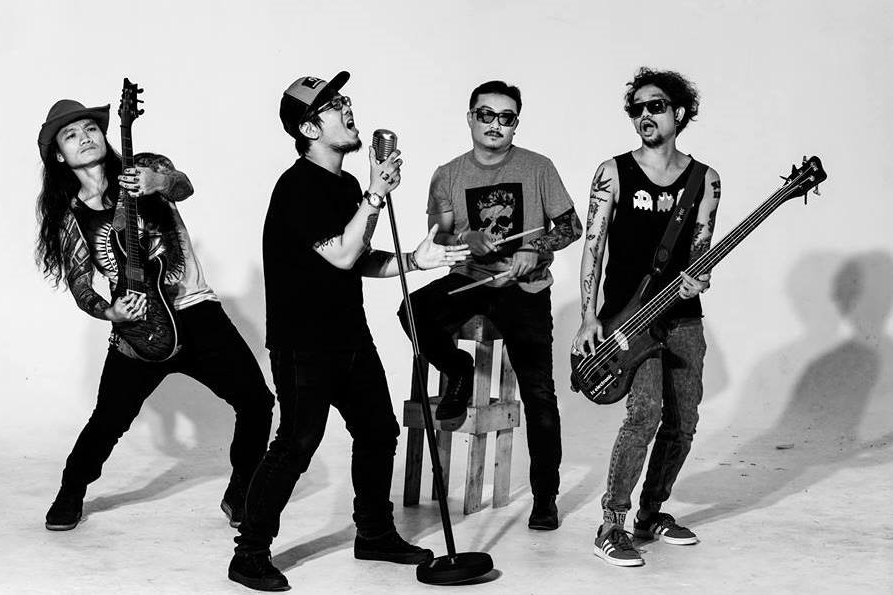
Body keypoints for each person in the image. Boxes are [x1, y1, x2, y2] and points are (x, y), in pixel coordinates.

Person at [227, 71, 469, 592]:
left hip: (349, 336)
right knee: (296, 443)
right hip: (304, 343)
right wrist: (377, 194)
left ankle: (374, 534)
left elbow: (356, 257)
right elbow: (339, 253)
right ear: (309, 128)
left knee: (379, 431)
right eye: (333, 105)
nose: (347, 107)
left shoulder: (345, 186)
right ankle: (249, 555)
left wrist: (414, 260)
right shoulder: (297, 186)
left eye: (344, 98)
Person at [35, 99, 273, 532]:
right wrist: (110, 310)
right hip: (140, 326)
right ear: (59, 156)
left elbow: (184, 186)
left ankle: (241, 491)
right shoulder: (72, 217)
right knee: (108, 422)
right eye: (71, 135)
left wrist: (157, 180)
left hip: (196, 311)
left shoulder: (145, 169)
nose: (85, 137)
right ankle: (71, 491)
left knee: (257, 402)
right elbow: (80, 284)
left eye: (90, 128)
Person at [397, 80, 583, 531]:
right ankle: (458, 369)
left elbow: (571, 226)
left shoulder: (538, 167)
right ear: (470, 118)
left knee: (539, 393)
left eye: (506, 117)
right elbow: (439, 235)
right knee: (411, 311)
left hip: (525, 288)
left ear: (516, 123)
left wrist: (535, 248)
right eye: (486, 114)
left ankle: (545, 498)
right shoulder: (448, 174)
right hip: (469, 279)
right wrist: (465, 236)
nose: (495, 124)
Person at [572, 67, 722, 567]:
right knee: (644, 415)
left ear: (678, 113)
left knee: (684, 421)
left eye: (655, 106)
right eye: (636, 108)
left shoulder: (705, 180)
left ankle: (651, 513)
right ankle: (611, 524)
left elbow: (701, 247)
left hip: (683, 318)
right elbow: (593, 246)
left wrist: (699, 278)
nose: (644, 115)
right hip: (628, 320)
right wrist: (588, 316)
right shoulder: (613, 172)